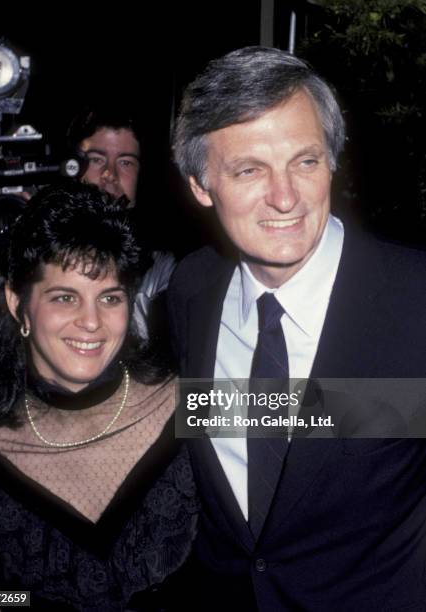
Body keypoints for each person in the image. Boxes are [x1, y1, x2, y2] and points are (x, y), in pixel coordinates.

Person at [168, 46, 426, 611]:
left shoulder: (416, 300)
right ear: (201, 185)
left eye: (305, 162)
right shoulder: (189, 291)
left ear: (332, 161)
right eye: (248, 170)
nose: (285, 197)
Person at [0, 182, 198, 611]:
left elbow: (346, 409)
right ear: (19, 305)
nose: (92, 322)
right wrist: (14, 603)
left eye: (110, 297)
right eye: (65, 297)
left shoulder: (183, 403)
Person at [0, 103, 176, 340]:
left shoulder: (161, 272)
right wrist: (2, 263)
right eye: (96, 160)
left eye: (125, 162)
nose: (110, 175)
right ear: (68, 167)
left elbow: (177, 361)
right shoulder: (38, 252)